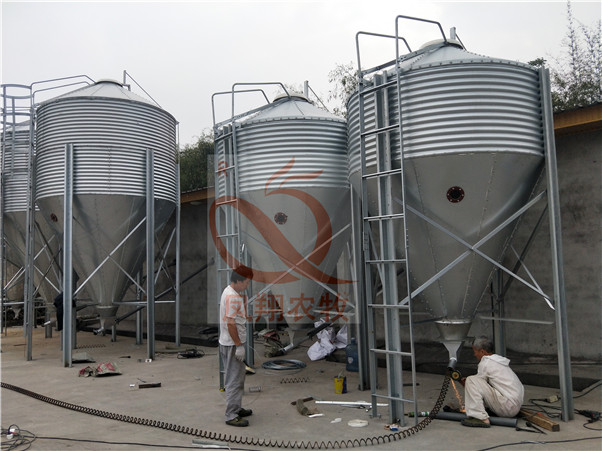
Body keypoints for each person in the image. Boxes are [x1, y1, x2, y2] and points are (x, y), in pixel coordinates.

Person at [460, 336, 524, 428]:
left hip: (507, 408)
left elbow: (476, 385)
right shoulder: (498, 360)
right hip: (515, 406)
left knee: (471, 380)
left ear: (482, 352)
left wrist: (465, 383)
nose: (474, 355)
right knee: (474, 381)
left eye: (475, 351)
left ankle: (480, 418)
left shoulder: (486, 362)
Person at [219, 265, 254, 427]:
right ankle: (231, 415)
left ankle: (237, 407)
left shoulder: (229, 292)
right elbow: (230, 323)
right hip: (233, 344)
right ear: (239, 281)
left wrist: (245, 317)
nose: (247, 285)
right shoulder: (233, 297)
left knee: (238, 377)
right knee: (234, 379)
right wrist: (239, 345)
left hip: (229, 342)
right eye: (246, 282)